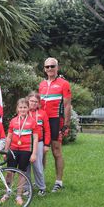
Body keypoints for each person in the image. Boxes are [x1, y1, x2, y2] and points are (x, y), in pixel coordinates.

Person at [38, 58, 72, 192]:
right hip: (42, 121)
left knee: (56, 151)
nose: (50, 69)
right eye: (47, 67)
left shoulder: (64, 84)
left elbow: (67, 105)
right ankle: (41, 181)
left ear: (57, 68)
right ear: (44, 69)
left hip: (56, 120)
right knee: (41, 152)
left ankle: (59, 181)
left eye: (52, 66)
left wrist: (67, 124)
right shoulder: (41, 84)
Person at [4, 98, 38, 205]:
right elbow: (9, 137)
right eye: (20, 107)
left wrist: (34, 153)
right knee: (10, 172)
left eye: (25, 107)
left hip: (25, 150)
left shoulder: (32, 121)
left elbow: (36, 138)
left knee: (21, 173)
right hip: (13, 149)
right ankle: (7, 193)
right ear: (17, 109)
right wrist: (5, 151)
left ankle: (18, 195)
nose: (23, 109)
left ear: (28, 108)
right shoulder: (13, 121)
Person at [28, 92, 51, 196]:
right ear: (28, 101)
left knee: (38, 166)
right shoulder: (23, 111)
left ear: (39, 103)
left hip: (40, 142)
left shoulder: (42, 113)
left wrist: (46, 144)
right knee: (25, 166)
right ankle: (26, 187)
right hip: (26, 143)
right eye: (31, 101)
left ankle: (41, 187)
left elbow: (47, 130)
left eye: (35, 102)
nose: (33, 103)